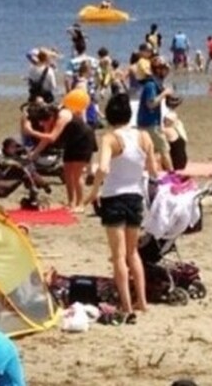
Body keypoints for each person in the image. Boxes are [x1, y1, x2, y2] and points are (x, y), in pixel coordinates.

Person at [93, 94, 157, 324]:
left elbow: (102, 167)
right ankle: (142, 301)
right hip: (135, 197)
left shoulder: (110, 138)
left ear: (110, 116)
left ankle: (126, 305)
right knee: (133, 253)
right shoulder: (144, 136)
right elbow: (152, 169)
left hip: (114, 198)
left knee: (118, 256)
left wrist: (92, 192)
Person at [28, 89, 96, 210]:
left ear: (51, 117)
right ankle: (71, 202)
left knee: (76, 174)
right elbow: (45, 139)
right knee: (67, 172)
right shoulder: (49, 117)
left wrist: (31, 132)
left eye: (45, 122)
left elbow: (52, 137)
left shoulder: (62, 116)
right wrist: (34, 153)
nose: (43, 125)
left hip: (84, 140)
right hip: (71, 141)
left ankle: (80, 204)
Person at [136, 61, 173, 171]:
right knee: (164, 148)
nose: (167, 73)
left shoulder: (155, 83)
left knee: (149, 150)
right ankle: (172, 174)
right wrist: (164, 94)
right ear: (158, 70)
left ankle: (149, 172)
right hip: (149, 123)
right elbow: (151, 104)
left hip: (149, 122)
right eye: (165, 70)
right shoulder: (151, 85)